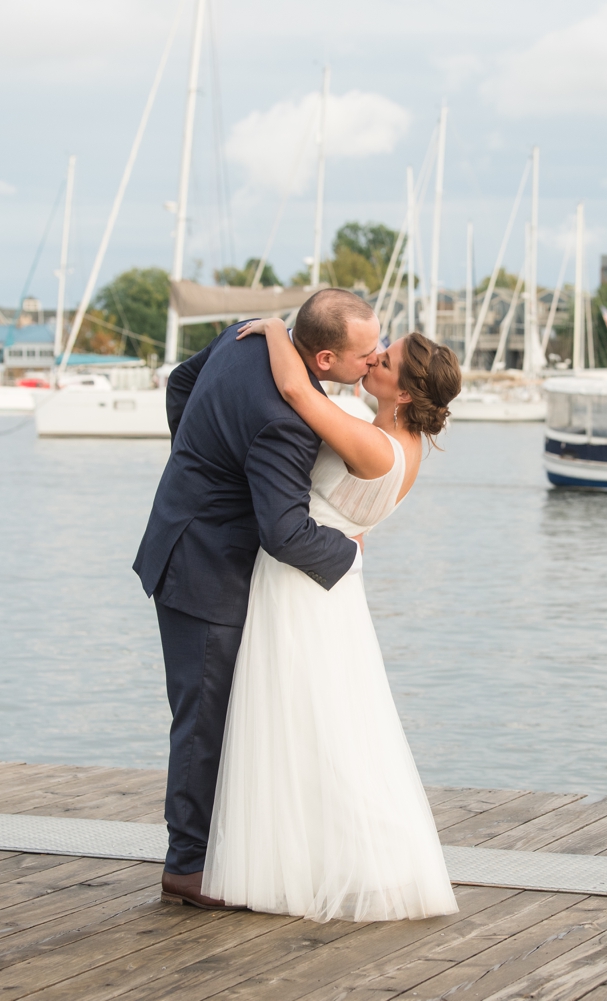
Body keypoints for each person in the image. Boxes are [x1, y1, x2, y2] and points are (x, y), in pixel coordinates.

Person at [203, 316, 463, 922]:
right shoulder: (399, 441)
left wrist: (273, 330)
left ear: (403, 393)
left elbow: (297, 393)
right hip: (327, 584)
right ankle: (302, 860)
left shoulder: (376, 444)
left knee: (300, 721)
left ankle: (297, 867)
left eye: (386, 361)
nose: (372, 359)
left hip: (303, 588)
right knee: (317, 723)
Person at [133, 288, 379, 909]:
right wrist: (351, 554)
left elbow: (178, 384)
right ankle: (187, 867)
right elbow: (285, 532)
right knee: (203, 720)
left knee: (214, 711)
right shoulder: (288, 421)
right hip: (205, 570)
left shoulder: (246, 334)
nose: (371, 363)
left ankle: (221, 848)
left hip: (180, 534)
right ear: (323, 360)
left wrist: (195, 464)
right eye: (363, 354)